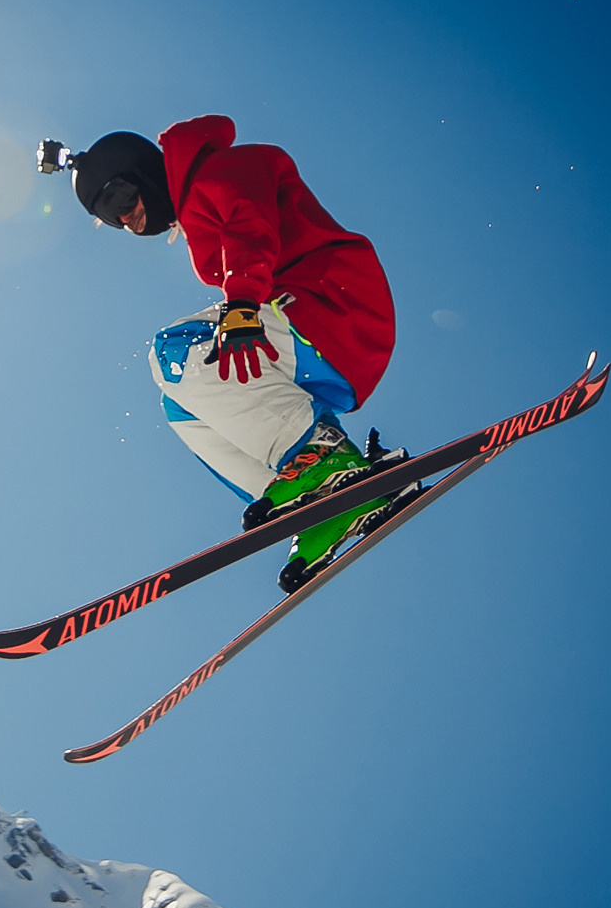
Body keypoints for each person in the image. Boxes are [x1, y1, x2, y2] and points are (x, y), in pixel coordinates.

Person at [52, 116, 411, 592]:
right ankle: (319, 504)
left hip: (331, 307)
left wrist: (241, 302)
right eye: (110, 217)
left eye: (120, 199)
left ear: (143, 173)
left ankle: (321, 453)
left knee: (174, 352)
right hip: (310, 336)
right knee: (180, 403)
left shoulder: (221, 171)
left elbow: (250, 224)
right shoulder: (196, 207)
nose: (125, 219)